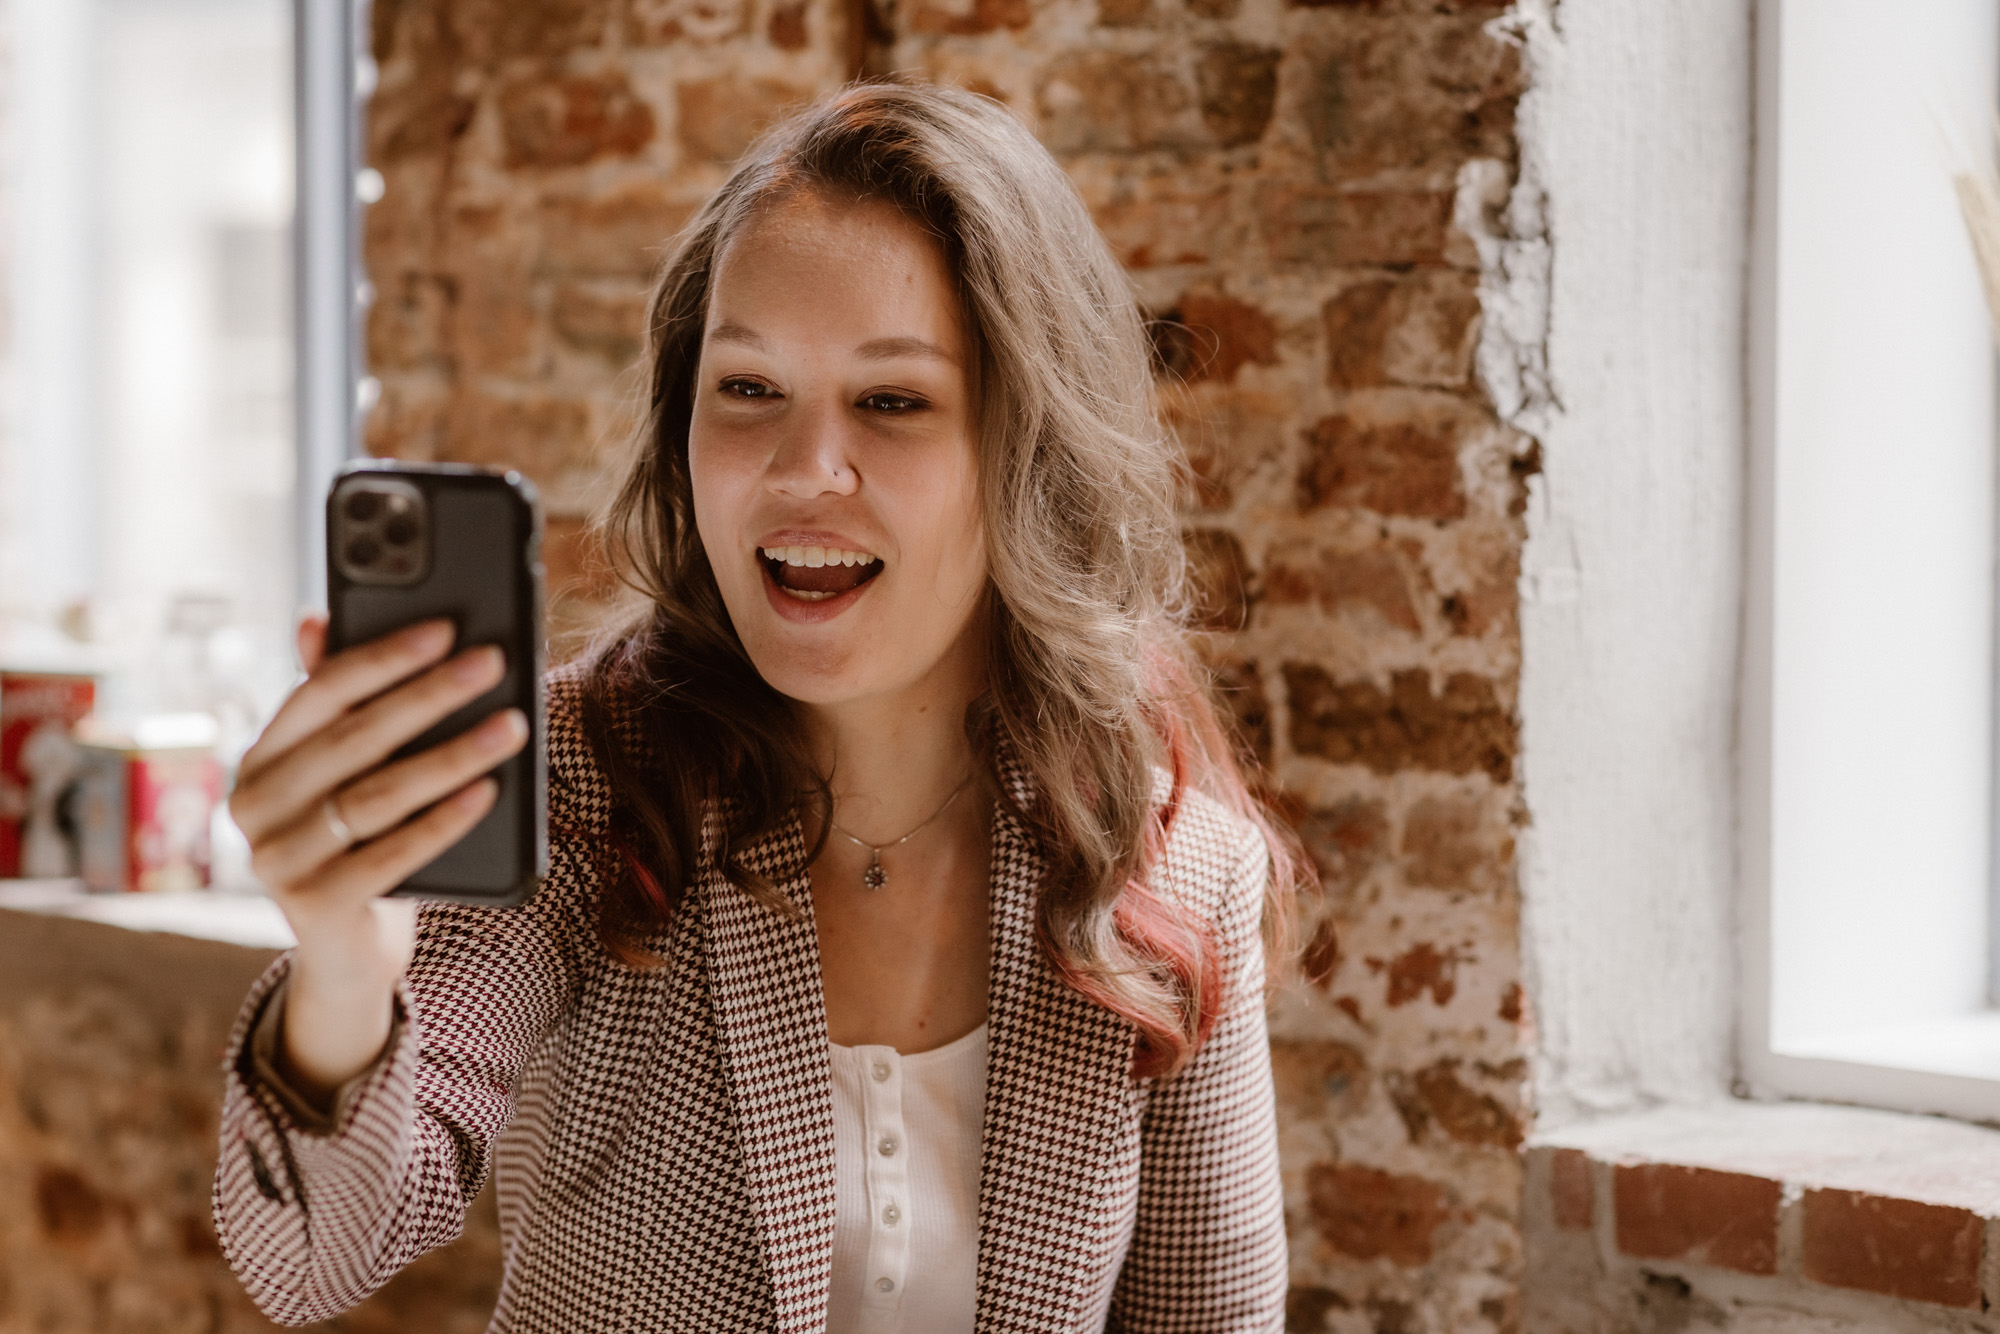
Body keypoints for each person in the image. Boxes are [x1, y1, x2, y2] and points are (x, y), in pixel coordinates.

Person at [216, 80, 1296, 1333]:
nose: (800, 471)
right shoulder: (580, 772)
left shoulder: (1169, 866)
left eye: (891, 401)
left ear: (1022, 450)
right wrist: (343, 958)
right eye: (746, 390)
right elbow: (307, 1261)